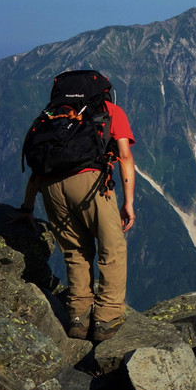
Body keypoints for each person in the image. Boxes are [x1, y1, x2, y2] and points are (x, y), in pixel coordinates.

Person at [14, 74, 136, 342]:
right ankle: (106, 320)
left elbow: (38, 168)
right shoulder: (109, 111)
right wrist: (128, 203)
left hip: (51, 189)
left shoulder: (52, 117)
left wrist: (27, 206)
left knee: (75, 251)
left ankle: (78, 319)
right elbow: (125, 156)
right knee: (112, 248)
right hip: (90, 183)